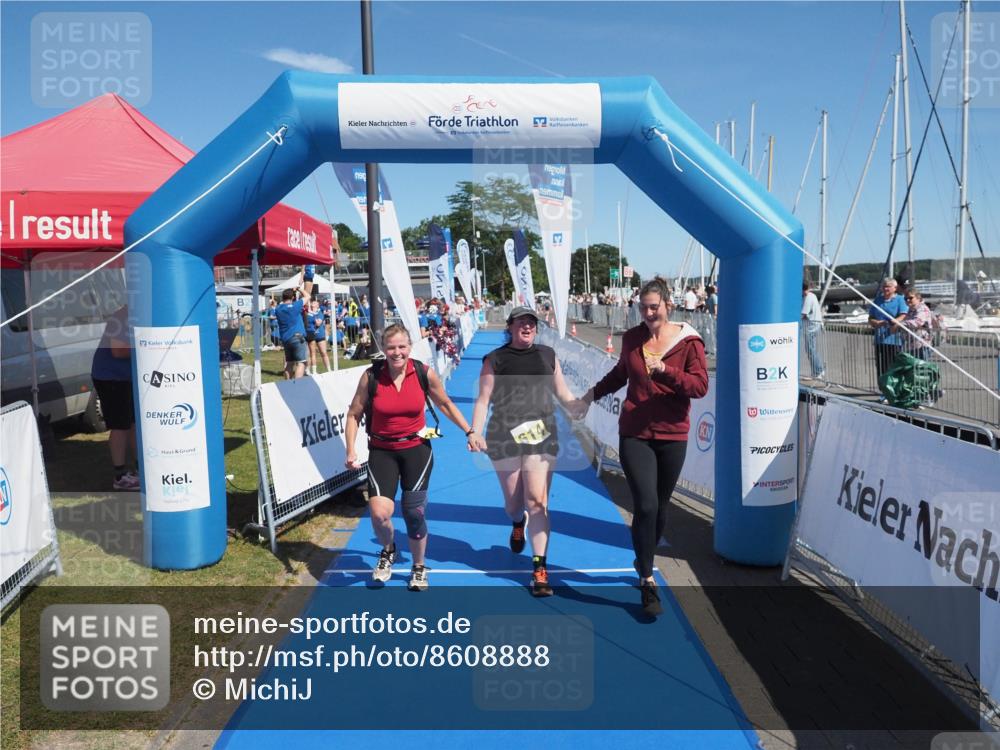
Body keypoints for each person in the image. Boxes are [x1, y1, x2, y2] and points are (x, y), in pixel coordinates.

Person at [576, 277, 708, 616]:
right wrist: (590, 396)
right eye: (643, 307)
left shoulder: (688, 341)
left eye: (654, 307)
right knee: (646, 506)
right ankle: (647, 580)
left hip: (672, 434)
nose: (649, 313)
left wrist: (665, 370)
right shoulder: (633, 338)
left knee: (661, 508)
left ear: (668, 305)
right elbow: (621, 373)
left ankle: (643, 552)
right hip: (634, 432)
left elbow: (699, 386)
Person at [344, 324, 486, 590]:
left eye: (402, 347)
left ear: (410, 347)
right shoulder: (371, 376)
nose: (397, 353)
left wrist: (470, 431)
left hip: (416, 450)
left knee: (413, 513)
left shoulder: (422, 373)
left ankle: (418, 566)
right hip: (382, 451)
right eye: (391, 348)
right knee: (379, 514)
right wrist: (350, 449)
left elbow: (445, 403)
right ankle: (388, 550)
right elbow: (353, 414)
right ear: (383, 349)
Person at [470, 306, 579, 597]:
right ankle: (517, 523)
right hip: (503, 435)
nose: (527, 326)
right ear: (511, 326)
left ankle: (539, 568)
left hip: (541, 436)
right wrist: (474, 431)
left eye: (531, 322)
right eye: (521, 322)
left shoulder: (547, 355)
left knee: (537, 502)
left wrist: (577, 405)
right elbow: (483, 400)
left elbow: (563, 393)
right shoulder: (495, 359)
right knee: (514, 504)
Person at [90, 304, 139, 490]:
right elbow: (118, 351)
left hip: (126, 377)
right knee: (120, 425)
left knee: (134, 423)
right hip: (110, 376)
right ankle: (120, 476)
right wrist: (147, 346)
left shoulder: (138, 315)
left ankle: (139, 469)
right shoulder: (121, 318)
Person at [897, 288, 940, 407]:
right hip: (912, 345)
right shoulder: (911, 310)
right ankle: (924, 395)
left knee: (922, 372)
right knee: (914, 372)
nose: (908, 300)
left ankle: (930, 395)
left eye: (910, 298)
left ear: (918, 298)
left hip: (922, 345)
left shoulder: (922, 309)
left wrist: (898, 323)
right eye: (906, 298)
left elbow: (917, 322)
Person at [869, 277, 908, 393]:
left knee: (893, 365)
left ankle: (894, 389)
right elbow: (871, 317)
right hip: (879, 339)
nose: (885, 288)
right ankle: (883, 389)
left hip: (894, 338)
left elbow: (903, 315)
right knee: (881, 366)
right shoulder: (878, 300)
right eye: (884, 286)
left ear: (894, 288)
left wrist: (895, 322)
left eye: (888, 286)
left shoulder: (900, 300)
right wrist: (876, 322)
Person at [275, 286, 311, 379]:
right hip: (297, 338)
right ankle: (297, 386)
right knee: (301, 362)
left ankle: (288, 384)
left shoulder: (278, 309)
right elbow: (308, 296)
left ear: (283, 298)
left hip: (286, 339)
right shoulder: (296, 306)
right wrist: (299, 289)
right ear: (293, 298)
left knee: (289, 363)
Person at [801, 281, 825, 379]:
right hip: (816, 325)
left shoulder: (808, 298)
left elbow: (804, 313)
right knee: (811, 349)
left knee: (811, 350)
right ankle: (817, 371)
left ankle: (818, 371)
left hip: (811, 327)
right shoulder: (812, 295)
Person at [306, 299, 331, 375]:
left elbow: (318, 323)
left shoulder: (319, 313)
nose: (312, 303)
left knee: (323, 352)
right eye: (312, 302)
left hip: (320, 335)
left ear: (317, 305)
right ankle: (309, 370)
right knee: (311, 353)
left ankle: (329, 369)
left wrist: (313, 316)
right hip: (311, 335)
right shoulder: (308, 313)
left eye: (314, 303)